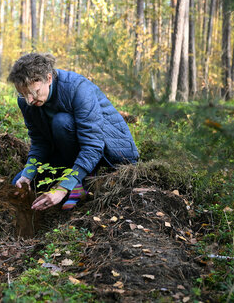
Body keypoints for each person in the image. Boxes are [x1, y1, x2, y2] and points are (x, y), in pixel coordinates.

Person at [7, 53, 139, 211]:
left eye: (33, 92)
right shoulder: (26, 102)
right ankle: (72, 178)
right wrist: (27, 174)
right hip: (68, 152)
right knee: (18, 182)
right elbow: (39, 142)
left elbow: (93, 146)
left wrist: (61, 189)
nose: (29, 100)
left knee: (61, 122)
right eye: (23, 94)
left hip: (108, 151)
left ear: (48, 79)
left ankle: (83, 181)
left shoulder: (77, 88)